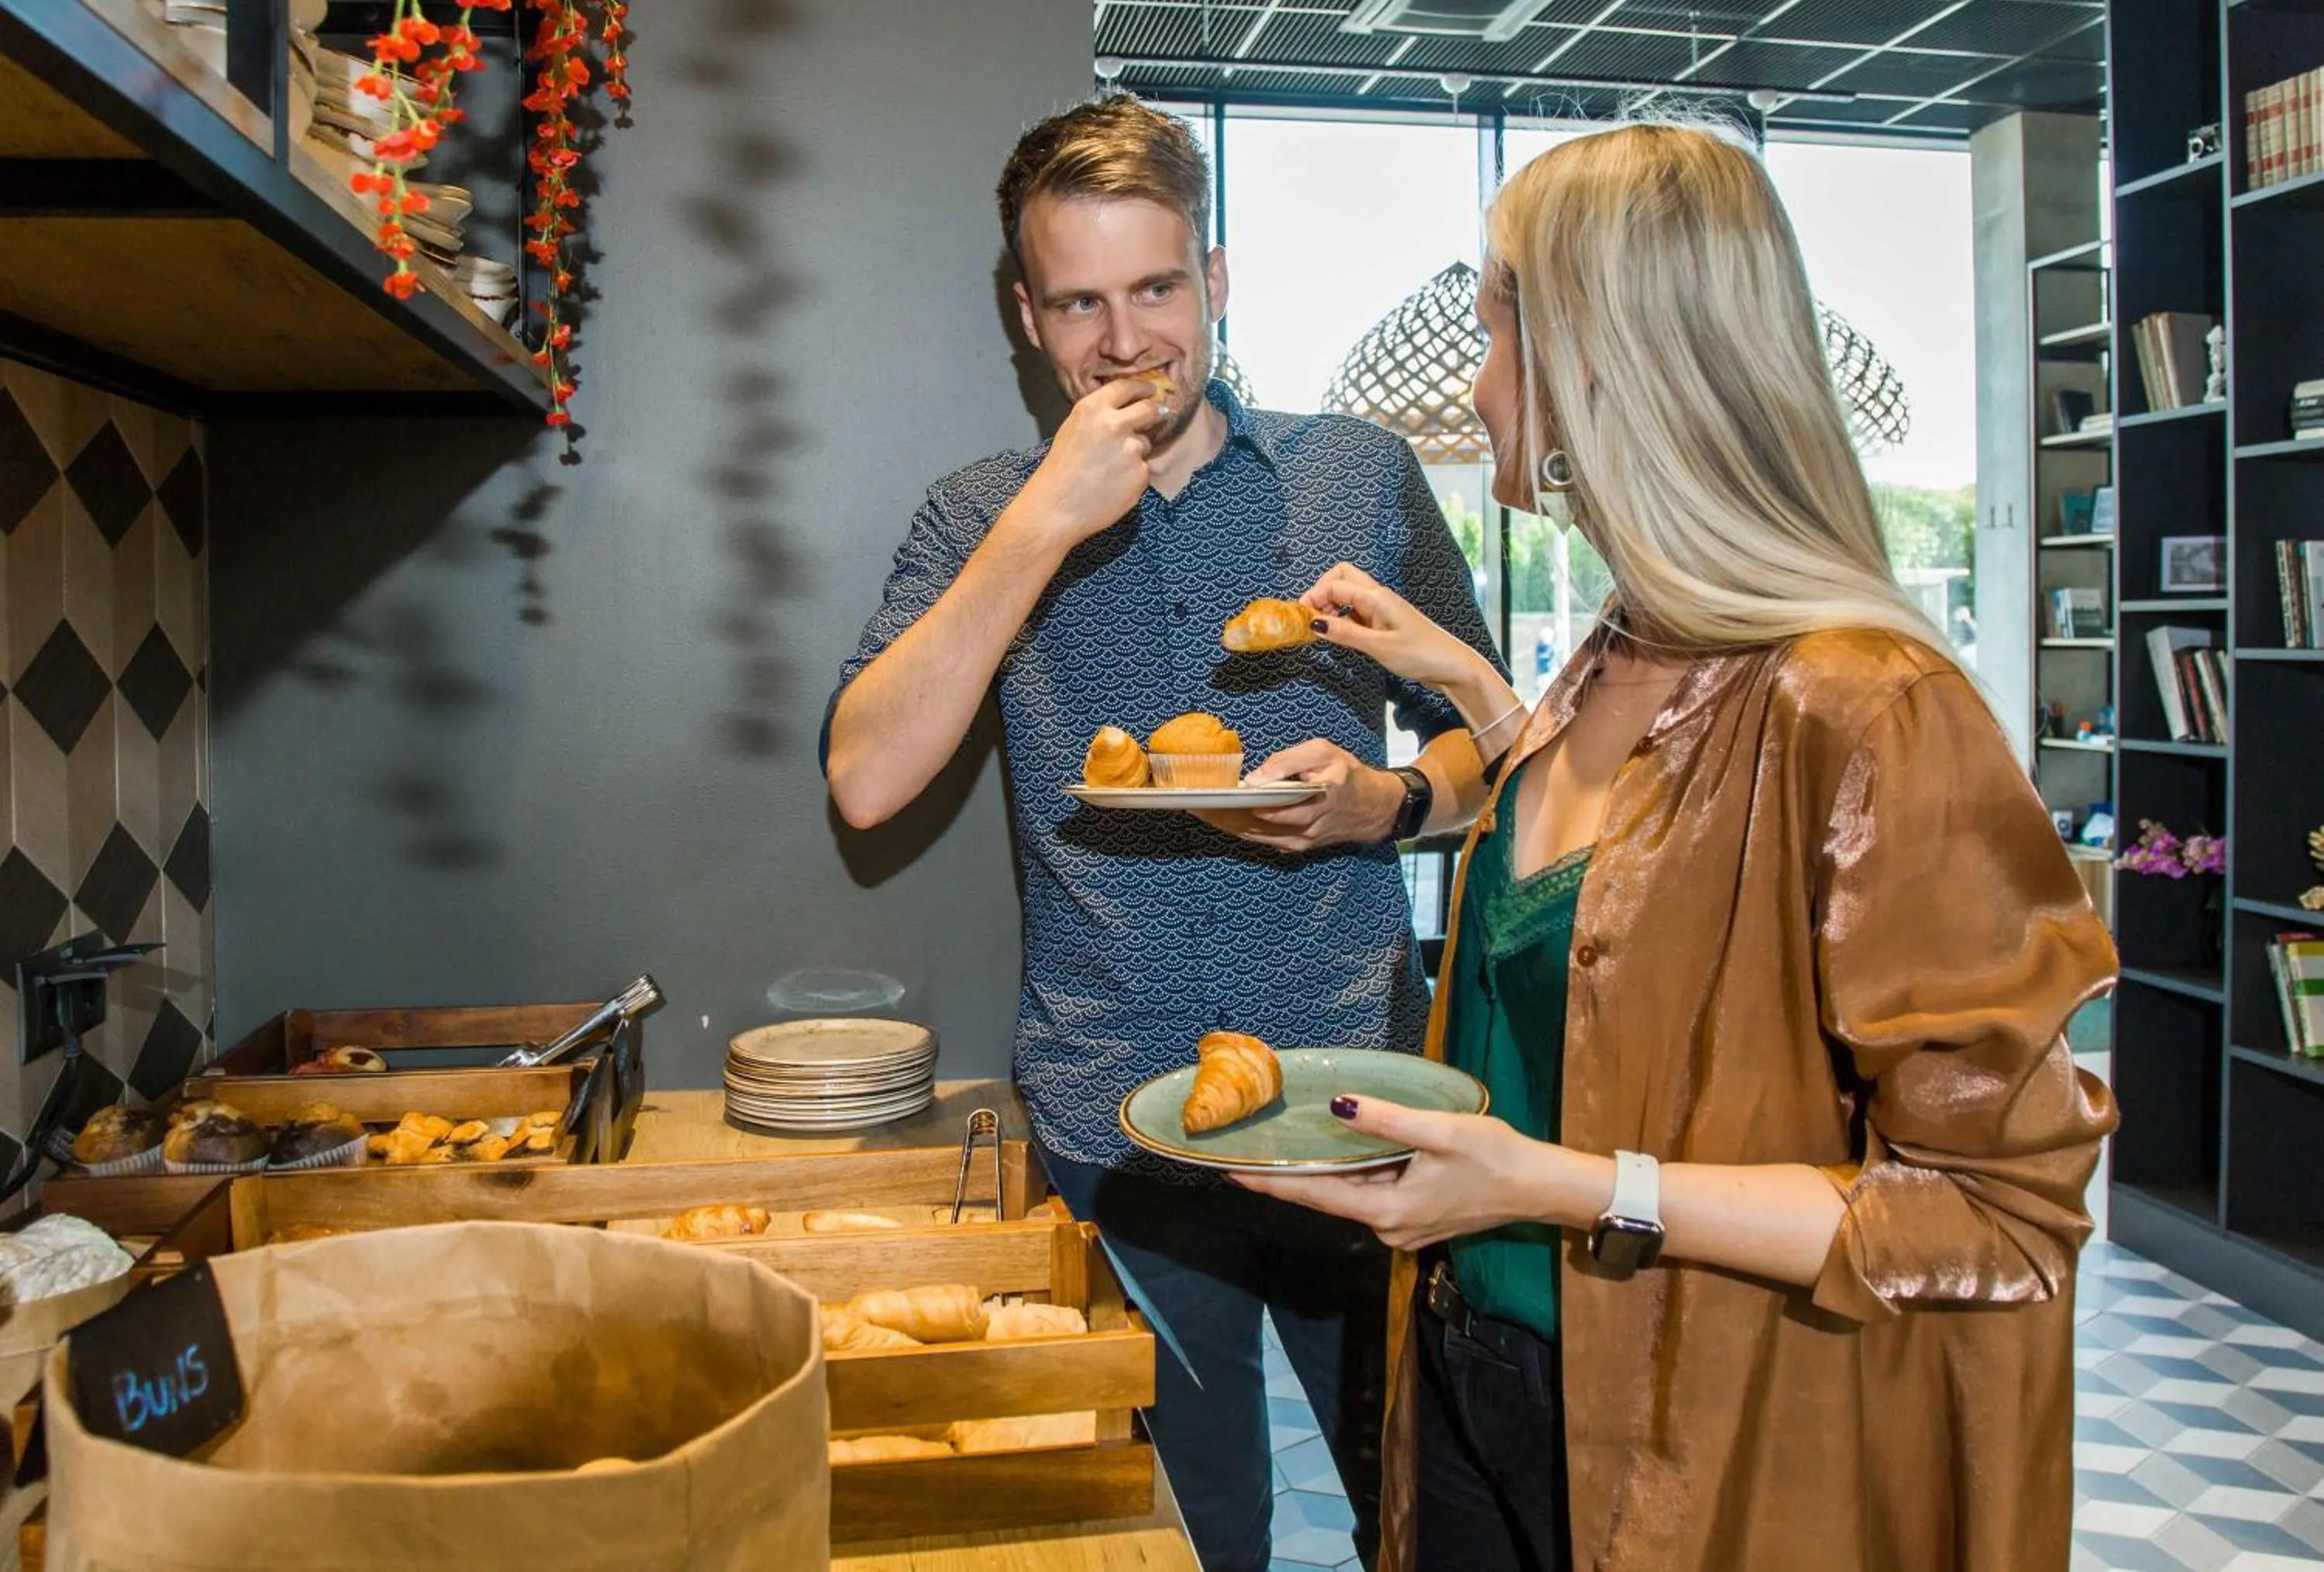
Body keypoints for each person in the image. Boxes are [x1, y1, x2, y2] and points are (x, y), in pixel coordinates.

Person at [1235, 122, 2119, 1572]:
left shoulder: (1874, 711)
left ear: (1597, 361)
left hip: (1696, 1436)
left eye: (1493, 336)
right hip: (1471, 1379)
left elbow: (1995, 1211)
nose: (1476, 384)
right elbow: (1616, 894)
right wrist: (1461, 681)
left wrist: (1558, 1184)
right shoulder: (1609, 664)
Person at [821, 95, 1506, 1572]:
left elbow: (1494, 740)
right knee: (1184, 1539)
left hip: (1352, 1115)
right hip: (1112, 1128)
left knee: (1417, 1518)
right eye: (1079, 302)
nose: (1124, 340)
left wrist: (1387, 803)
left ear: (1216, 276)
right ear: (1028, 315)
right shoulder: (977, 516)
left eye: (1154, 288)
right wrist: (1041, 527)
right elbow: (867, 780)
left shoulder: (1357, 475)